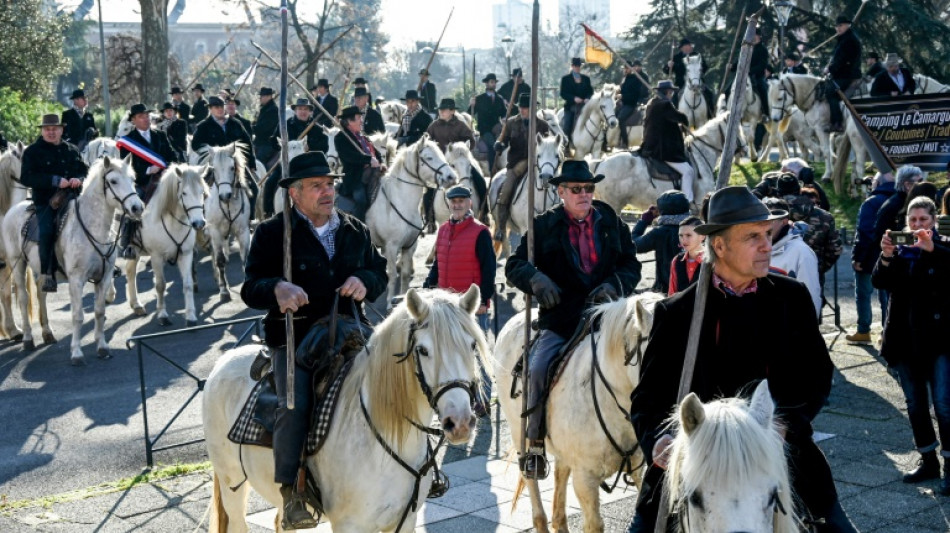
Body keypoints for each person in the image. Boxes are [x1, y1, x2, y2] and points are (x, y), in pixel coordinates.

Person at [628, 186, 858, 533]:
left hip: (774, 447)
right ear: (719, 246)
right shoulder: (676, 312)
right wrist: (656, 441)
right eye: (753, 237)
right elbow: (647, 399)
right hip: (701, 456)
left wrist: (784, 424)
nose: (767, 244)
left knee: (836, 527)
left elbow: (816, 377)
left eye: (767, 234)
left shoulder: (791, 299)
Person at [241, 150, 387, 529]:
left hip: (351, 331)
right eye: (316, 186)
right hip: (296, 336)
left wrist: (364, 281)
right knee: (293, 402)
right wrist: (276, 288)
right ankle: (292, 493)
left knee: (396, 378)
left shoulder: (355, 229)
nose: (327, 192)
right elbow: (250, 286)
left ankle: (412, 465)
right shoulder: (274, 233)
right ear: (294, 193)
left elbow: (378, 271)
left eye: (330, 184)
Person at [506, 159, 642, 479]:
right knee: (538, 370)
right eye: (577, 189)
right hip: (563, 319)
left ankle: (649, 435)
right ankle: (536, 444)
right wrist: (537, 279)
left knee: (645, 358)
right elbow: (514, 265)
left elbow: (631, 266)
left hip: (608, 317)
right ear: (561, 192)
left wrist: (614, 285)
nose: (585, 194)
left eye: (589, 188)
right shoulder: (542, 226)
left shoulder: (611, 221)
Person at [872, 196, 950, 494]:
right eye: (913, 220)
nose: (918, 226)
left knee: (944, 404)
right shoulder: (900, 248)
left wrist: (932, 253)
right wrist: (888, 256)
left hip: (940, 338)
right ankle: (928, 459)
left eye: (924, 220)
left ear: (933, 221)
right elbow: (879, 282)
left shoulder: (945, 246)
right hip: (905, 338)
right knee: (915, 404)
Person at [423, 185, 495, 416]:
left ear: (470, 203)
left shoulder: (480, 232)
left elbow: (489, 269)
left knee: (477, 351)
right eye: (453, 201)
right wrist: (427, 288)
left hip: (471, 306)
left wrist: (483, 300)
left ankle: (483, 397)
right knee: (450, 354)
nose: (457, 204)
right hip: (446, 309)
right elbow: (439, 262)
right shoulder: (443, 230)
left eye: (462, 200)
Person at [20, 114, 88, 292]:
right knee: (47, 231)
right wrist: (54, 180)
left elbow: (84, 170)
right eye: (47, 129)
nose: (51, 132)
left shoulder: (72, 150)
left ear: (61, 130)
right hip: (46, 202)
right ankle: (47, 274)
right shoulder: (32, 152)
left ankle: (100, 261)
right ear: (42, 131)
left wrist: (78, 178)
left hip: (73, 198)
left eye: (55, 129)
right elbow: (26, 177)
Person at [118, 103, 181, 258]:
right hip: (141, 181)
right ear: (133, 121)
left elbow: (172, 156)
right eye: (141, 117)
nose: (145, 119)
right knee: (133, 205)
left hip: (164, 178)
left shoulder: (160, 135)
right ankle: (128, 244)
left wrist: (167, 167)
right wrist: (147, 170)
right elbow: (126, 166)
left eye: (146, 116)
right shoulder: (127, 141)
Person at [492, 93, 550, 243]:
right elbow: (503, 140)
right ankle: (501, 228)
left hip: (538, 163)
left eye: (527, 107)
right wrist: (499, 145)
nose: (524, 110)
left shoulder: (543, 125)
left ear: (533, 108)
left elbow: (548, 146)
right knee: (505, 192)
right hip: (516, 164)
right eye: (522, 107)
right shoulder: (511, 123)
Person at [848, 171, 896, 344]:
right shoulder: (899, 199)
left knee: (863, 294)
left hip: (870, 257)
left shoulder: (872, 202)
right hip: (891, 255)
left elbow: (865, 231)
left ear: (878, 183)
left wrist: (858, 257)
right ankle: (886, 333)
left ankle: (863, 331)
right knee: (887, 297)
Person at [191, 96, 258, 216]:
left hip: (235, 162)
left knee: (254, 188)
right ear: (210, 109)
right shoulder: (203, 126)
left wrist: (251, 163)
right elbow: (195, 144)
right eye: (216, 107)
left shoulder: (235, 123)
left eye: (222, 107)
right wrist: (209, 151)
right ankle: (201, 216)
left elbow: (248, 143)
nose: (220, 109)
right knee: (198, 189)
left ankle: (250, 217)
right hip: (213, 163)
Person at [640, 80, 695, 203]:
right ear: (668, 92)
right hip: (662, 148)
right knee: (688, 171)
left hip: (650, 144)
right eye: (671, 92)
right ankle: (687, 201)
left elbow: (665, 124)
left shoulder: (652, 103)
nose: (672, 94)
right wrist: (684, 121)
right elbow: (679, 117)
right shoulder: (665, 104)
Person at [765, 197, 823, 315]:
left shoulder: (802, 253)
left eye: (771, 220)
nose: (765, 226)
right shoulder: (755, 249)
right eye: (762, 220)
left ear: (784, 221)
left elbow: (811, 300)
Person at [631, 190, 691, 294]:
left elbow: (634, 244)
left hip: (665, 291)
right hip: (691, 289)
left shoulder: (659, 233)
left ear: (662, 211)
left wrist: (644, 220)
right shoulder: (697, 230)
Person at [335, 105, 384, 221]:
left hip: (373, 174)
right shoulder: (341, 138)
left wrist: (381, 162)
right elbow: (350, 157)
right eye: (358, 118)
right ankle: (359, 228)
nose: (362, 121)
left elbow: (377, 154)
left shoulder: (363, 137)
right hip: (355, 178)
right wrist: (368, 160)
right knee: (361, 199)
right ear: (349, 121)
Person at [824, 15, 862, 133]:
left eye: (840, 26)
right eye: (836, 26)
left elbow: (842, 60)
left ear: (847, 25)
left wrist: (829, 69)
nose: (838, 29)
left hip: (848, 75)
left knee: (830, 93)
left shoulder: (849, 40)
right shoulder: (844, 38)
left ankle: (837, 123)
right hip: (844, 73)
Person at [469, 73, 507, 174]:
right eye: (491, 82)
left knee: (505, 144)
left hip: (497, 128)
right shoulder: (479, 99)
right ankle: (492, 171)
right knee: (493, 146)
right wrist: (471, 105)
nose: (493, 84)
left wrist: (505, 121)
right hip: (485, 130)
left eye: (494, 82)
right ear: (486, 84)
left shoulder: (499, 99)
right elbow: (470, 114)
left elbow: (504, 115)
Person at [663, 38, 713, 110]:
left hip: (697, 82)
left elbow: (705, 68)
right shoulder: (676, 57)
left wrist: (701, 68)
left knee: (709, 94)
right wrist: (668, 65)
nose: (691, 47)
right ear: (682, 47)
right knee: (674, 99)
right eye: (688, 45)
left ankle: (711, 114)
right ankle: (676, 117)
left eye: (691, 45)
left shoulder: (697, 56)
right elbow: (666, 71)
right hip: (680, 83)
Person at [559, 58, 593, 142]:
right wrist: (574, 98)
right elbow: (563, 93)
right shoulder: (565, 79)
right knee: (567, 125)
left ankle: (601, 142)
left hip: (585, 105)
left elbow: (590, 91)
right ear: (572, 66)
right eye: (575, 66)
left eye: (579, 66)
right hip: (571, 106)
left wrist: (588, 98)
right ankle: (566, 144)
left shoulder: (586, 79)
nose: (577, 67)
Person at [668, 216, 704, 295]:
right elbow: (671, 293)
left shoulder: (712, 260)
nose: (683, 240)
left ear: (702, 236)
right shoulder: (677, 260)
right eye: (681, 235)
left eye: (688, 235)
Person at [617, 60, 650, 147]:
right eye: (624, 69)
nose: (625, 70)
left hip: (634, 102)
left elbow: (636, 94)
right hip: (624, 102)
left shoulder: (639, 78)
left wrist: (623, 96)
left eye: (626, 68)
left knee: (621, 118)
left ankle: (624, 141)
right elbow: (623, 90)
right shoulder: (627, 78)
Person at [253, 87, 280, 167]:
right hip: (260, 142)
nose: (260, 98)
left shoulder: (273, 110)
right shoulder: (265, 109)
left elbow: (264, 128)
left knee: (258, 162)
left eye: (262, 96)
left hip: (268, 143)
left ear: (269, 97)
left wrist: (253, 128)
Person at [749, 29, 772, 118]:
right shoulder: (747, 48)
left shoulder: (762, 49)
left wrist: (750, 71)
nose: (753, 37)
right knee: (730, 88)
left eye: (755, 35)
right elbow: (740, 60)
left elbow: (762, 65)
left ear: (759, 36)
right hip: (744, 76)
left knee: (763, 90)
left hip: (757, 77)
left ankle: (766, 113)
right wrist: (732, 66)